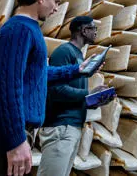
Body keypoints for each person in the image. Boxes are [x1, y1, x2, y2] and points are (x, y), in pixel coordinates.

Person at [0, 0, 95, 176]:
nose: (56, 8)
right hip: (2, 133)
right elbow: (4, 88)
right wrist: (15, 140)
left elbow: (37, 74)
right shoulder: (20, 29)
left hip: (8, 131)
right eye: (56, 1)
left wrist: (76, 70)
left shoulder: (27, 30)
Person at [37, 16, 99, 176]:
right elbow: (56, 90)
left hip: (72, 127)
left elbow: (76, 95)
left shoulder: (79, 56)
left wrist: (96, 98)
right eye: (93, 28)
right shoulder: (64, 52)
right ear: (84, 30)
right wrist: (88, 93)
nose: (96, 32)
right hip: (61, 127)